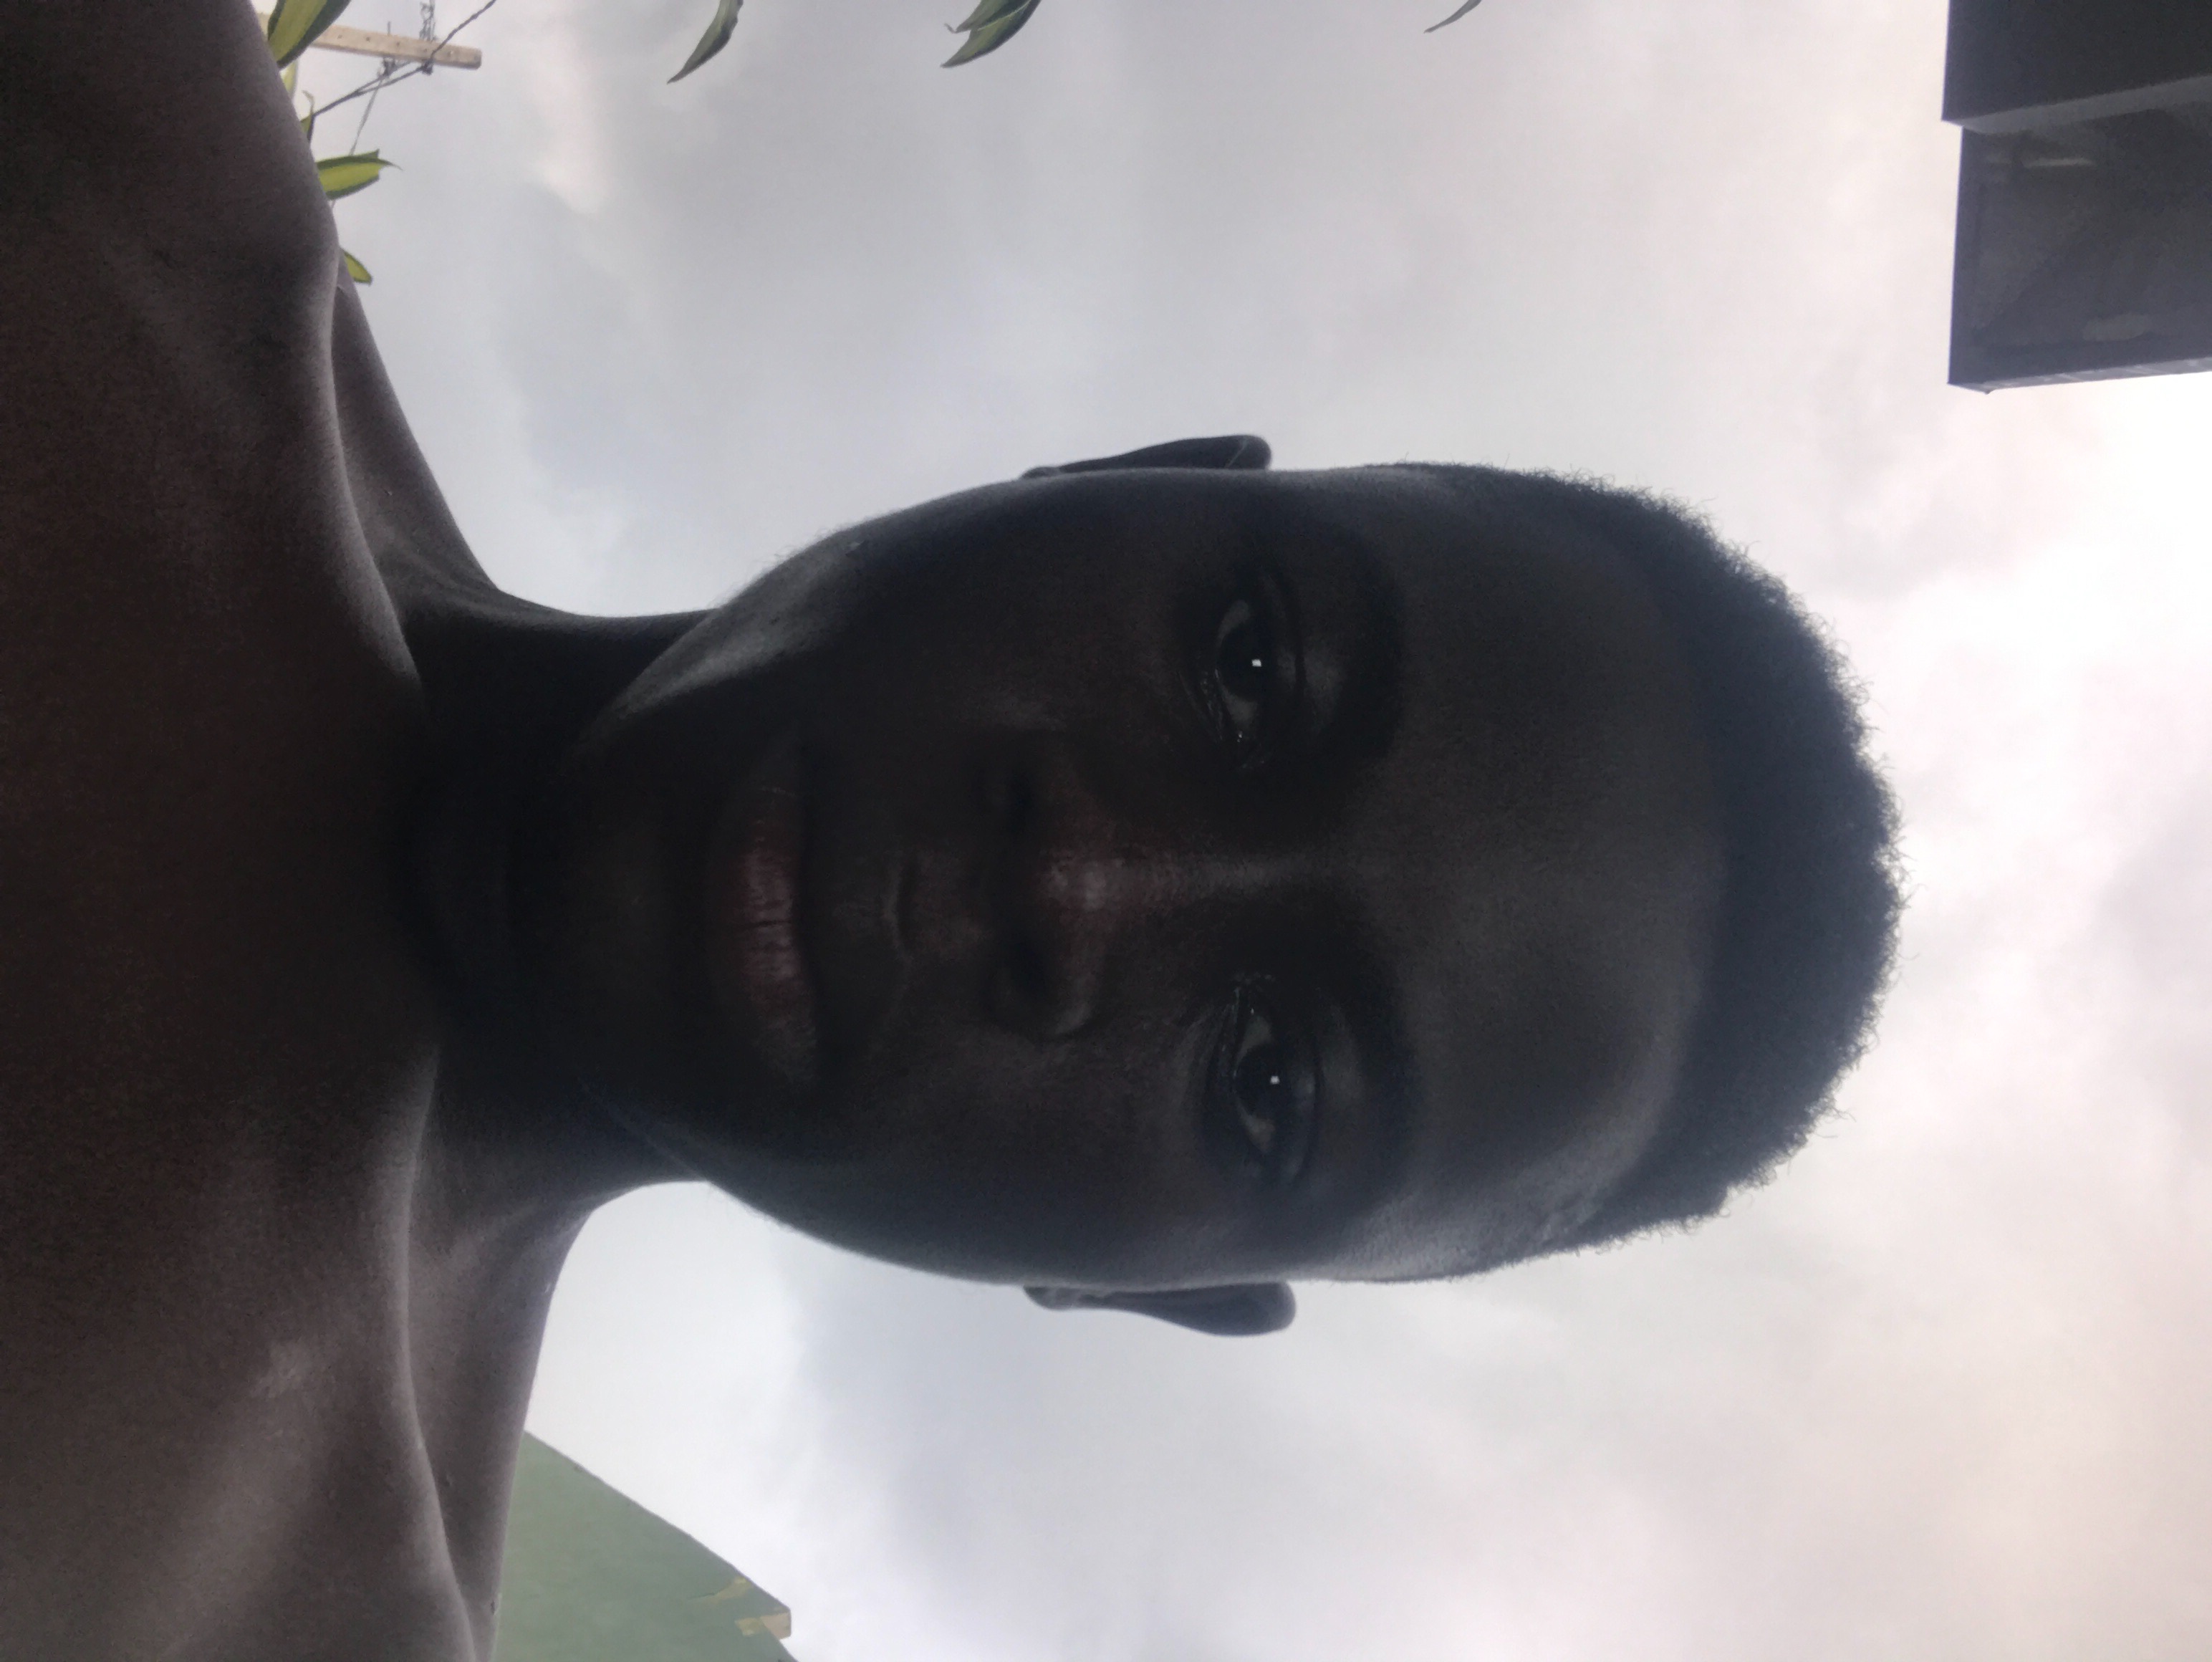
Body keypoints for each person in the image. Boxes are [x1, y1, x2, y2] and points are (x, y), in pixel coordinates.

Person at [0, 2, 1900, 1657]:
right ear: (1130, 473)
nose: (1079, 881)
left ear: (1145, 1287)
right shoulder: (97, 126)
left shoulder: (254, 1624)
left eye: (1268, 1085)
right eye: (1250, 666)